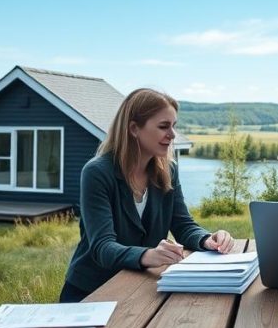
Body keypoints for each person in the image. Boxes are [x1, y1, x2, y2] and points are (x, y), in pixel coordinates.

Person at [60, 88, 234, 303]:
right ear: (134, 128)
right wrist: (147, 255)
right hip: (90, 293)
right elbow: (102, 247)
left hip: (140, 288)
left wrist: (207, 239)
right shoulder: (97, 172)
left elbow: (182, 224)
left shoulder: (167, 170)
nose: (172, 135)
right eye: (163, 126)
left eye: (173, 126)